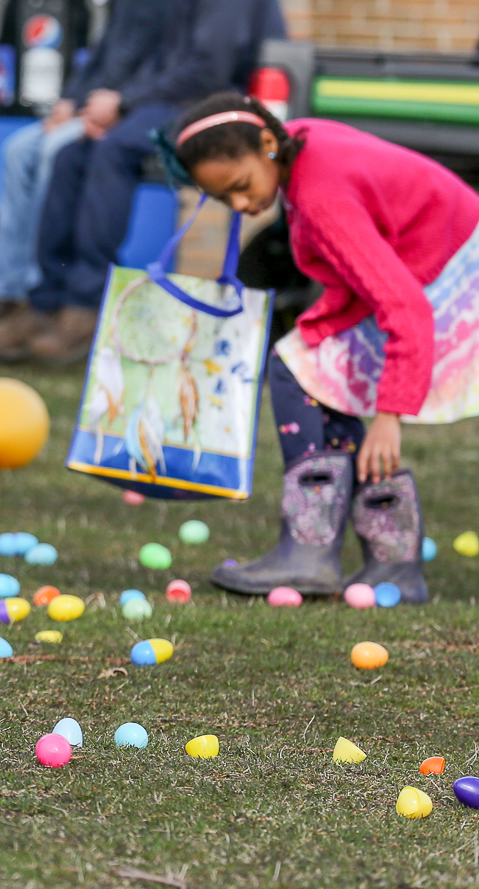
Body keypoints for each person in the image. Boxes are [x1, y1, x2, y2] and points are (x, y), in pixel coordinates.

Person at [172, 94, 479, 603]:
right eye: (225, 199)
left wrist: (390, 415)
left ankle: (313, 551)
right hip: (439, 258)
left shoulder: (319, 196)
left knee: (298, 368)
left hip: (453, 278)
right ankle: (391, 562)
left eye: (242, 186)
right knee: (307, 366)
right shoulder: (299, 142)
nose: (241, 205)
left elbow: (406, 309)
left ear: (267, 143)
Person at [15, 0, 286, 363]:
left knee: (112, 151)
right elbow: (155, 61)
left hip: (213, 107)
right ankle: (49, 302)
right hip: (167, 99)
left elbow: (208, 70)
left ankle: (86, 306)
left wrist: (126, 104)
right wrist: (114, 106)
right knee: (71, 155)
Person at [0, 0, 172, 357]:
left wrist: (121, 106)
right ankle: (10, 295)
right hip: (94, 106)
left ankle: (42, 294)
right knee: (17, 151)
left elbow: (166, 68)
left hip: (130, 112)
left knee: (56, 150)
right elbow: (102, 58)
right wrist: (70, 101)